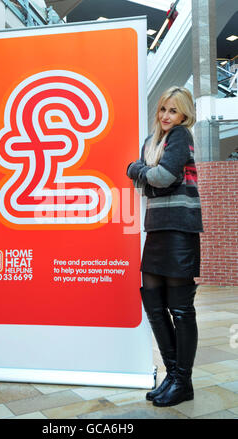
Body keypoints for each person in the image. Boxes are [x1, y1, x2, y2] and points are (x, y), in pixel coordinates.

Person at [127, 86, 203, 407]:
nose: (167, 116)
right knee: (154, 306)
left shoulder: (181, 136)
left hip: (180, 232)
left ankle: (183, 381)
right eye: (163, 110)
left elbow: (161, 176)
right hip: (157, 230)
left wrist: (139, 170)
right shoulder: (153, 142)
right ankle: (172, 375)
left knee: (181, 309)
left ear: (184, 114)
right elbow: (153, 179)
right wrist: (150, 176)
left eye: (173, 110)